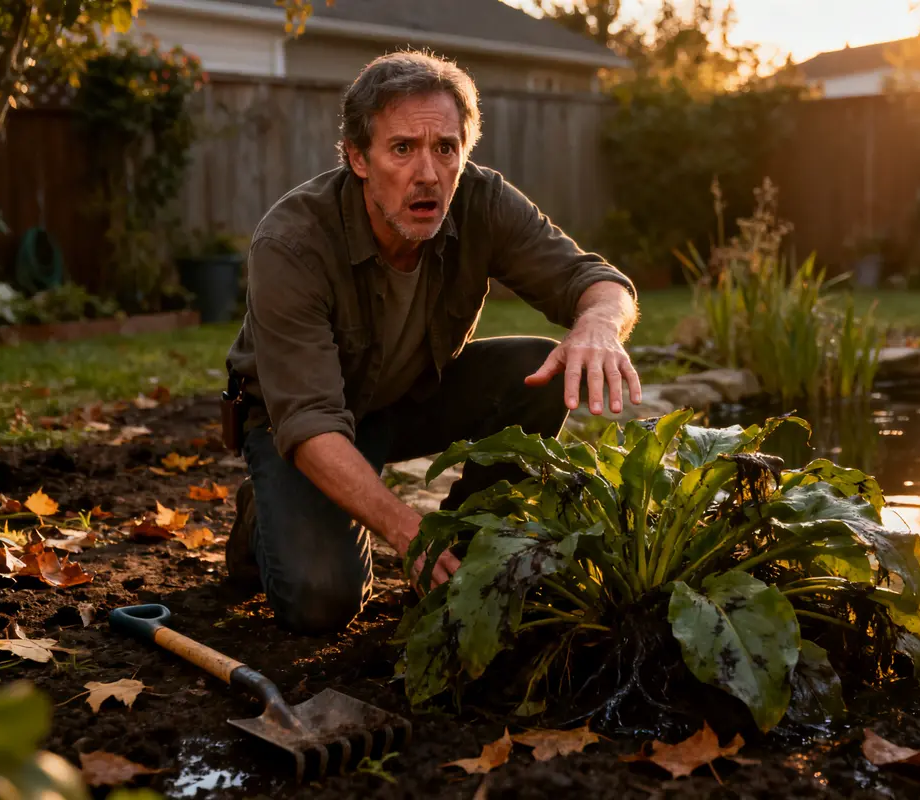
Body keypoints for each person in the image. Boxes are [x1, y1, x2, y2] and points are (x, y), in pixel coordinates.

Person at [221, 50, 642, 636]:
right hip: (300, 426)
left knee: (533, 370)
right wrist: (405, 529)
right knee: (323, 603)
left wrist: (597, 326)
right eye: (402, 149)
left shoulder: (482, 200)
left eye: (445, 148)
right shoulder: (291, 243)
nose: (428, 173)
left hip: (407, 398)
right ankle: (261, 516)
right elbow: (311, 419)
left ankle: (461, 558)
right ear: (358, 159)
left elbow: (596, 281)